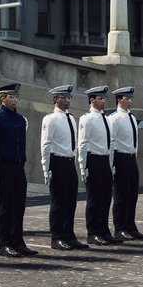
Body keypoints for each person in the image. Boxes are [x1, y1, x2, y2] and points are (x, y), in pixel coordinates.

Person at [0, 82, 36, 257]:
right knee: (5, 207)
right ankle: (5, 243)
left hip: (18, 167)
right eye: (11, 97)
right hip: (4, 168)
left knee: (19, 206)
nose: (15, 100)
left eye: (16, 97)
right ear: (3, 98)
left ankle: (18, 241)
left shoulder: (20, 119)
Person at [40, 85, 89, 250]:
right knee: (58, 203)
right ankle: (57, 237)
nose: (68, 100)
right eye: (64, 97)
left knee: (70, 202)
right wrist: (46, 168)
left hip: (69, 162)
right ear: (56, 99)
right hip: (57, 162)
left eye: (69, 98)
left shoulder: (72, 118)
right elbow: (45, 145)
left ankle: (69, 235)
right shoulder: (50, 119)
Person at [78, 85, 120, 245]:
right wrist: (83, 167)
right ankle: (93, 232)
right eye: (100, 98)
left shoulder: (106, 119)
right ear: (92, 100)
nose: (103, 101)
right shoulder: (86, 118)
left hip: (104, 161)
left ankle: (104, 230)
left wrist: (110, 164)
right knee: (94, 199)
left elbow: (110, 143)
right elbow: (82, 144)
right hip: (93, 160)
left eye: (104, 98)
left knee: (105, 198)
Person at [107, 86, 143, 240]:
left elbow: (135, 140)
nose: (130, 101)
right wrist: (111, 164)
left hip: (131, 158)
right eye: (127, 99)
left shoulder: (131, 117)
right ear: (119, 100)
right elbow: (110, 142)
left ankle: (130, 226)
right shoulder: (114, 118)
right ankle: (119, 228)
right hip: (120, 158)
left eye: (130, 98)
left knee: (132, 194)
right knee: (121, 195)